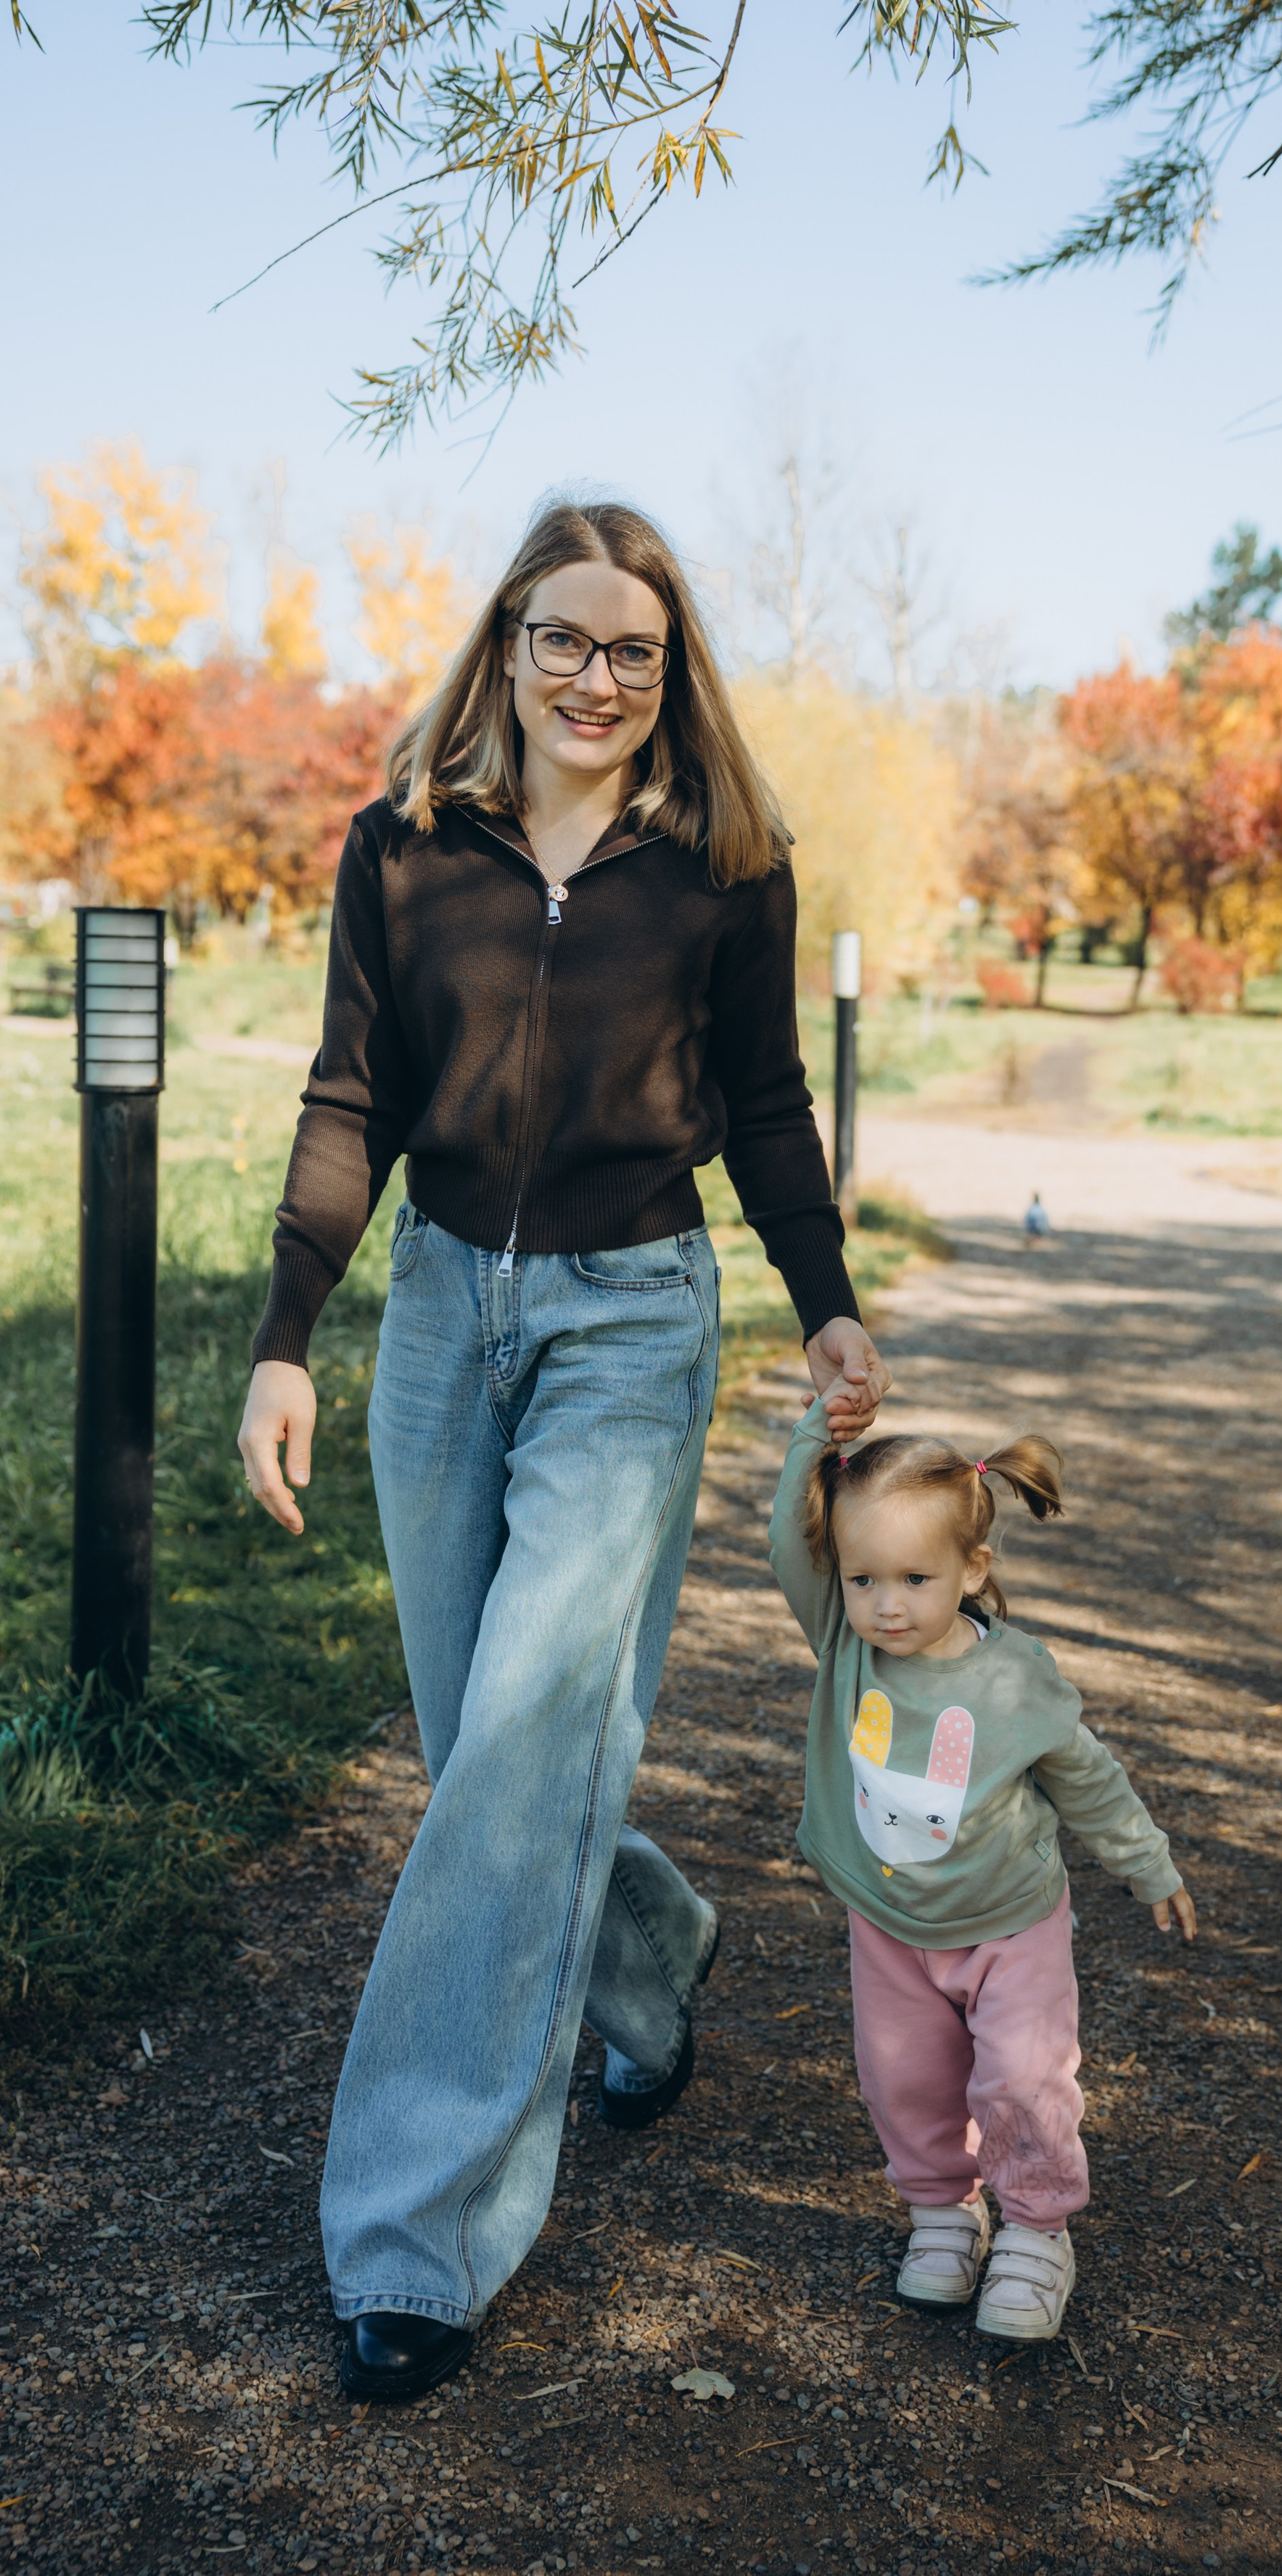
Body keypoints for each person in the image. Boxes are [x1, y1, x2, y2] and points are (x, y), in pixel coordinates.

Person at [236, 498, 889, 2405]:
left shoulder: (721, 871)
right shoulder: (403, 852)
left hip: (630, 1326)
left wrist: (826, 1293)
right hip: (442, 1316)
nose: (597, 678)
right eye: (565, 640)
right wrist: (287, 1342)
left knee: (524, 1738)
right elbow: (348, 1096)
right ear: (504, 645)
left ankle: (414, 2239)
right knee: (481, 1745)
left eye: (636, 650)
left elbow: (765, 1104)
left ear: (669, 675)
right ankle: (648, 1946)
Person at [765, 1402, 1194, 2342]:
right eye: (863, 1578)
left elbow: (1087, 1776)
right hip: (889, 1925)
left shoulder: (1015, 1681)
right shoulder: (847, 1648)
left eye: (916, 1578)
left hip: (1009, 1924)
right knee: (904, 2078)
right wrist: (814, 1441)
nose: (887, 1604)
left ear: (974, 1570)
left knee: (1022, 2079)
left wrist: (1147, 1863)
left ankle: (1039, 2230)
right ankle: (942, 2212)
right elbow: (786, 1550)